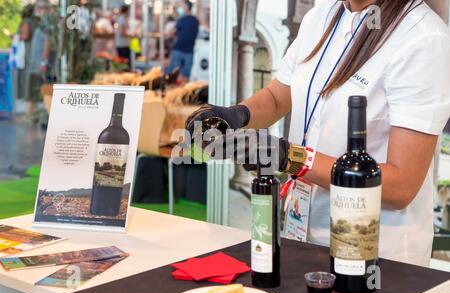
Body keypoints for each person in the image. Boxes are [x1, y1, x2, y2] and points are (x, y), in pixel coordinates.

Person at [186, 0, 450, 267]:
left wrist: (288, 157)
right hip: (302, 235)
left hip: (375, 254)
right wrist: (237, 115)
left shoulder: (423, 39)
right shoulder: (322, 16)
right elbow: (279, 96)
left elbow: (401, 184)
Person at [26, 0, 51, 118]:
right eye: (37, 7)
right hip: (36, 63)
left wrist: (43, 61)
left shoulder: (47, 23)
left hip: (40, 64)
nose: (38, 10)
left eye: (40, 7)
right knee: (36, 90)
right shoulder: (42, 22)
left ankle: (35, 116)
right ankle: (32, 115)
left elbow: (48, 42)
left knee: (40, 90)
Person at [167, 0, 199, 82]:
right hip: (189, 52)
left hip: (179, 50)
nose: (180, 8)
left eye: (182, 6)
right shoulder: (195, 20)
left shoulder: (182, 19)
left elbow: (172, 32)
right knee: (185, 77)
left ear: (187, 7)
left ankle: (172, 92)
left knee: (172, 75)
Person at [17, 4, 35, 100]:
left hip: (26, 50)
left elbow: (25, 36)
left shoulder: (26, 22)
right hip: (31, 50)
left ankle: (27, 96)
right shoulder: (34, 21)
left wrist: (15, 37)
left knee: (26, 73)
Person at [115, 5, 132, 69]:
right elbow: (122, 33)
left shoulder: (122, 19)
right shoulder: (122, 19)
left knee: (124, 63)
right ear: (126, 11)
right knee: (124, 64)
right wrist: (131, 34)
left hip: (123, 44)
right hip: (122, 45)